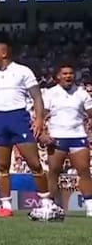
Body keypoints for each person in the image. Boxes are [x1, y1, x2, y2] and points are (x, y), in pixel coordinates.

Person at [0, 37, 57, 219]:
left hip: (19, 117)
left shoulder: (22, 71)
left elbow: (37, 97)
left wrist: (39, 119)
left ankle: (46, 202)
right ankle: (6, 205)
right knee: (2, 166)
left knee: (34, 163)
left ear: (4, 53)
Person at [42, 62, 92, 217]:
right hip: (56, 137)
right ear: (58, 77)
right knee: (54, 172)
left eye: (70, 73)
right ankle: (51, 204)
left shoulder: (82, 93)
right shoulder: (50, 93)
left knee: (83, 171)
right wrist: (43, 133)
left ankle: (90, 206)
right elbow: (42, 116)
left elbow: (91, 113)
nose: (68, 76)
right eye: (64, 73)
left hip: (78, 136)